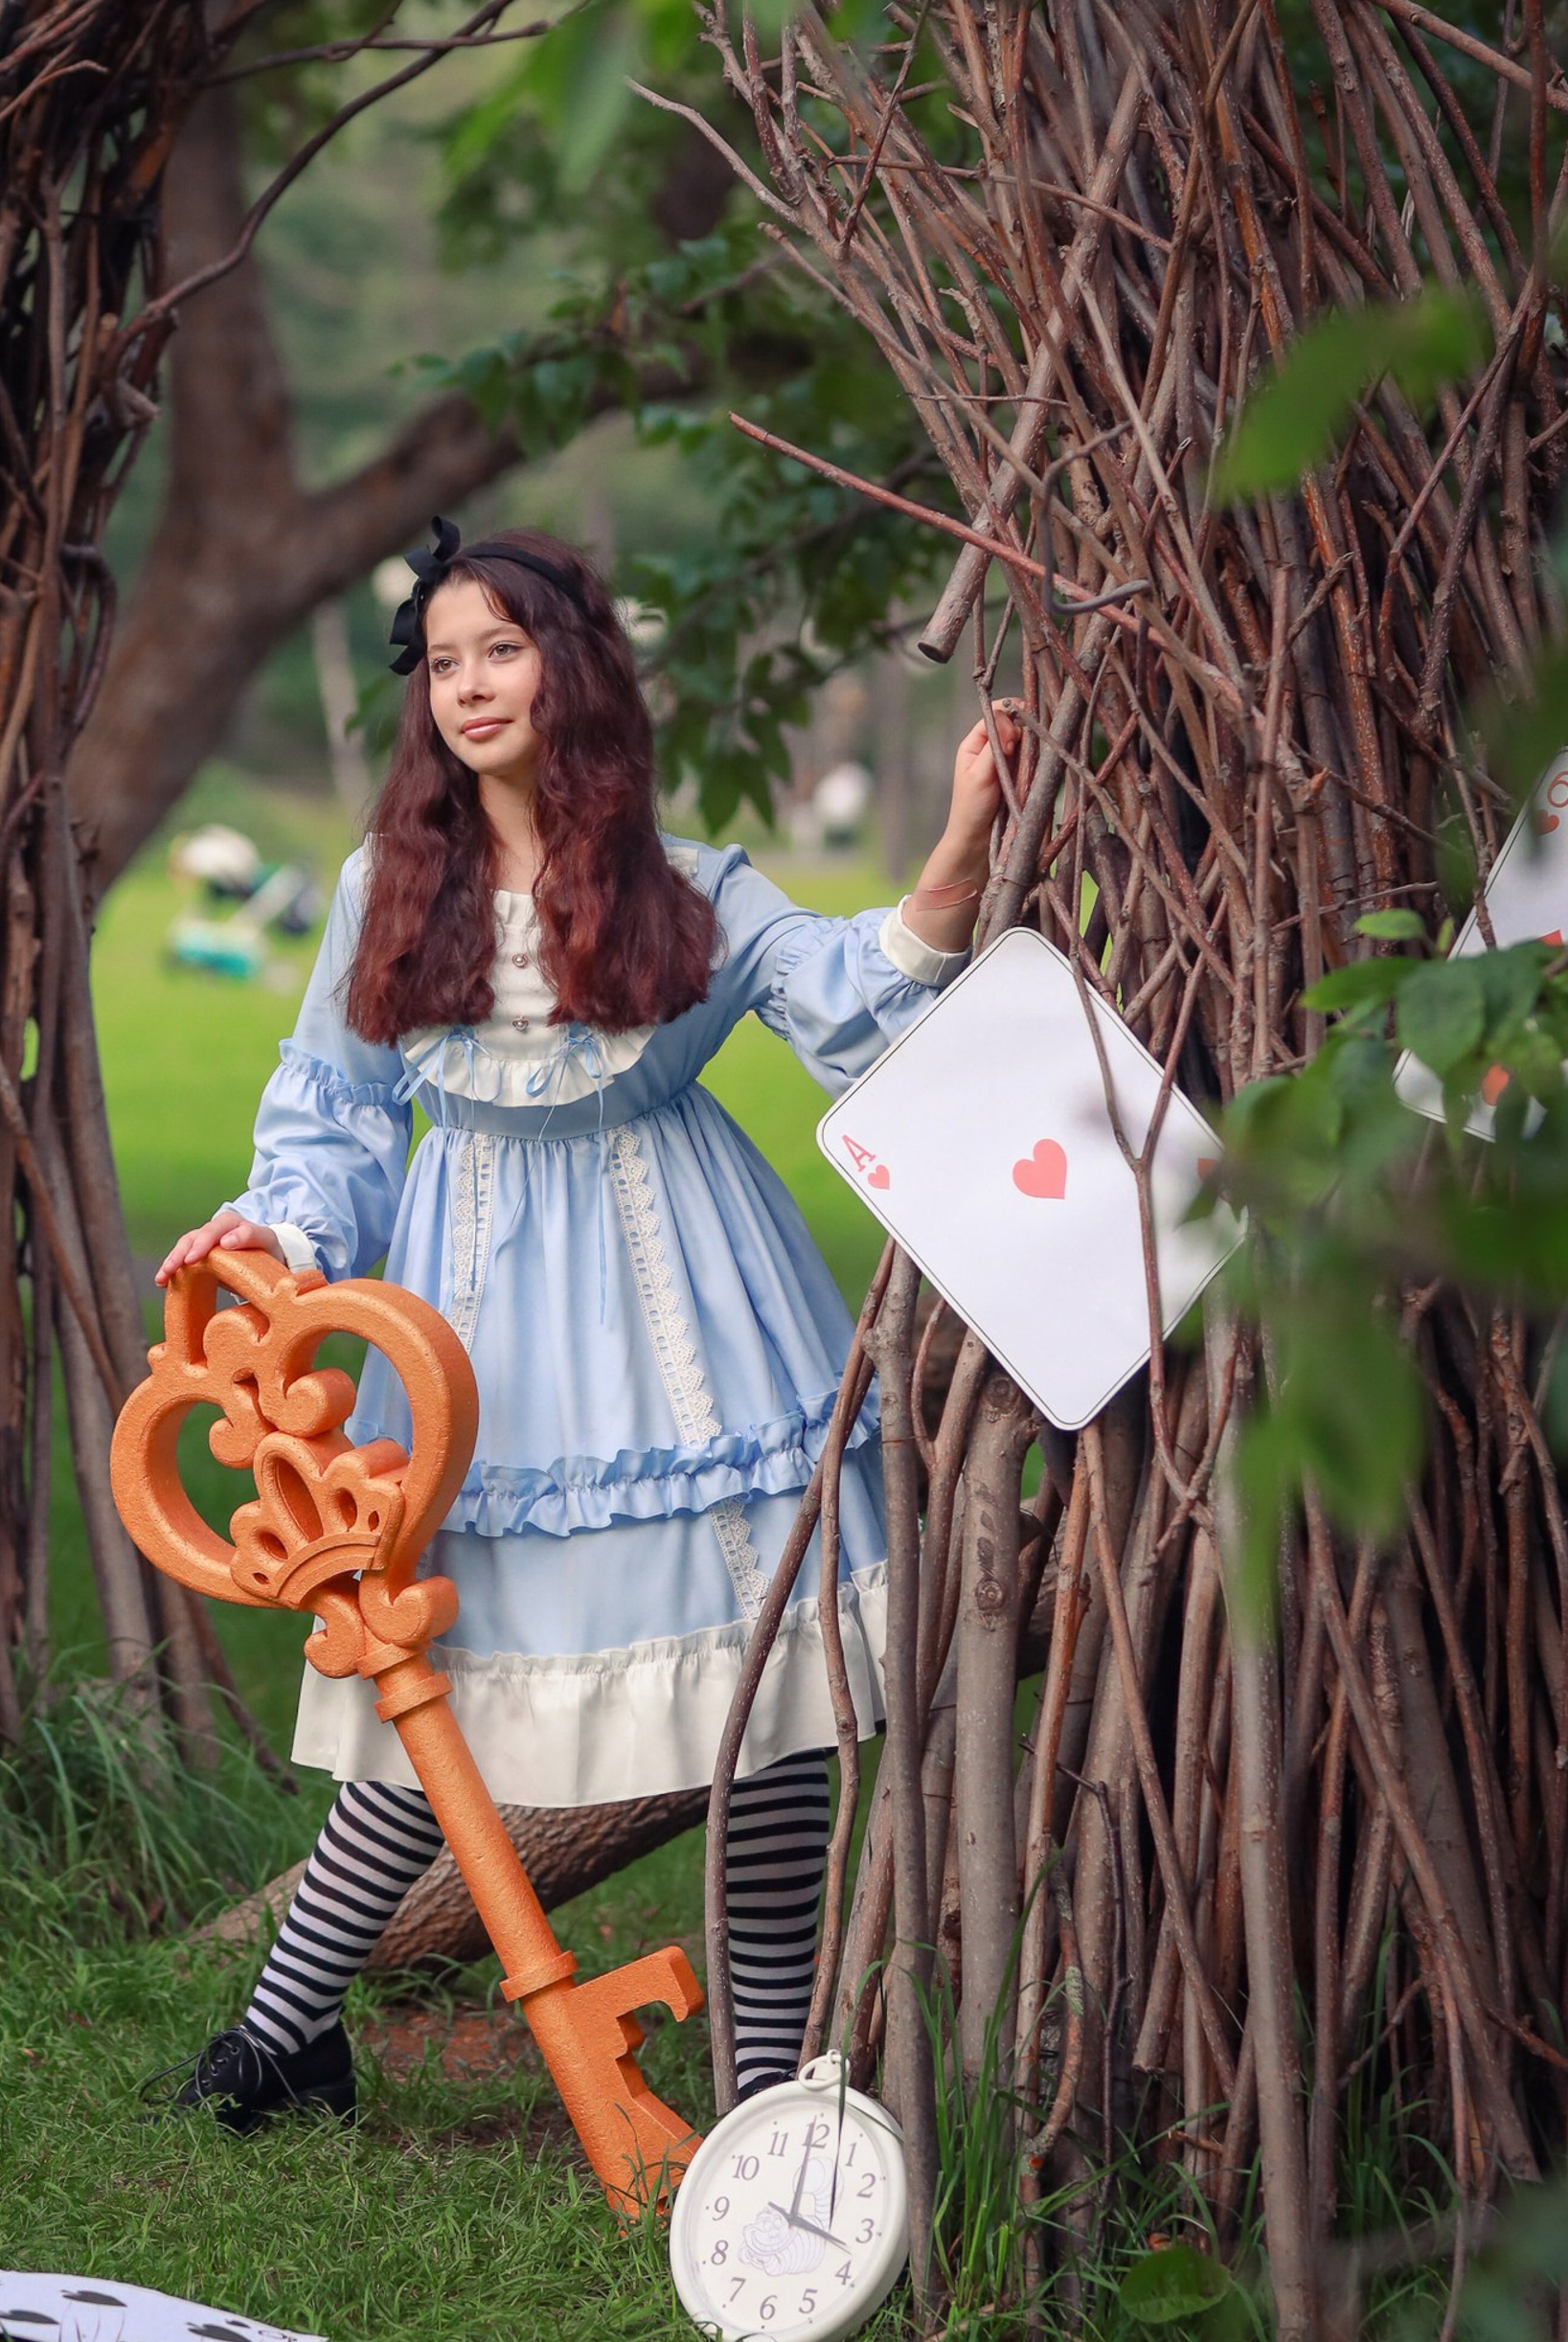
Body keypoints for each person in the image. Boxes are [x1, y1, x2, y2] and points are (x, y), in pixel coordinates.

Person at [152, 518, 1018, 2130]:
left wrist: (962, 835)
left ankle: (766, 2083)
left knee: (773, 1711)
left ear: (575, 667)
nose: (469, 685)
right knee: (431, 1693)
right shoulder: (380, 890)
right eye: (442, 660)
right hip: (469, 1338)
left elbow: (854, 999)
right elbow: (330, 1111)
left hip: (694, 1312)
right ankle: (284, 2036)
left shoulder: (690, 887)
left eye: (503, 648)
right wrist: (267, 1228)